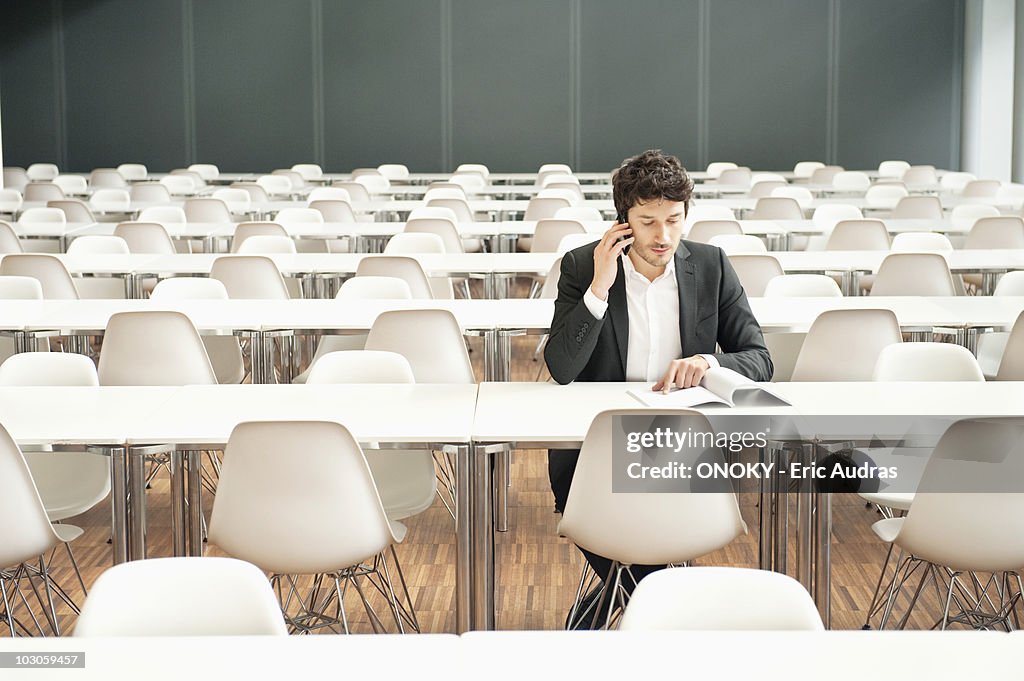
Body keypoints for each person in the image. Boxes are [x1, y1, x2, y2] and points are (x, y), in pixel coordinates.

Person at [544, 149, 773, 627]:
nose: (663, 236)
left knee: (647, 549)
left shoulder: (711, 266)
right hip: (596, 453)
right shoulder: (581, 265)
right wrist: (598, 290)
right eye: (647, 222)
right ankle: (671, 612)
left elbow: (759, 358)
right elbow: (562, 368)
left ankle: (612, 610)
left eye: (673, 219)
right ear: (623, 220)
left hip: (680, 448)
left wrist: (708, 361)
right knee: (631, 544)